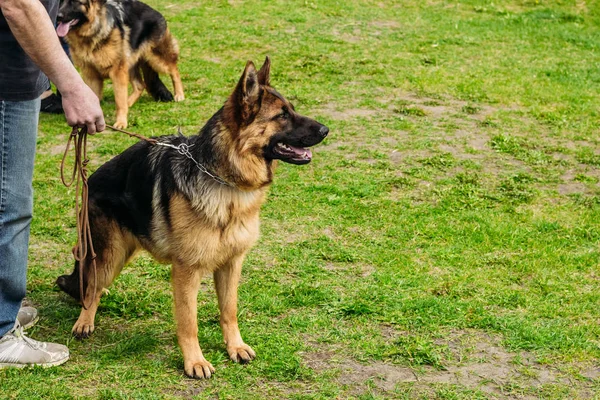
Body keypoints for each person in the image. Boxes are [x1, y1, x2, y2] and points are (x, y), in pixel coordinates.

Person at [0, 0, 105, 368]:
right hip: (5, 80)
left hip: (18, 68)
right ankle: (0, 332)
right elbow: (17, 4)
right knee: (7, 205)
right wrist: (71, 85)